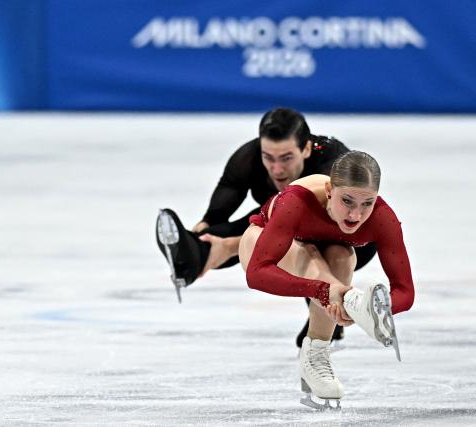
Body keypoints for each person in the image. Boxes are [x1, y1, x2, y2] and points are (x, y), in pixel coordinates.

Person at [156, 108, 378, 345]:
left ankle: (328, 319)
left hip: (349, 238)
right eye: (269, 158)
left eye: (286, 158)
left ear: (306, 149)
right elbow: (219, 210)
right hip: (285, 221)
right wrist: (199, 237)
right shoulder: (249, 157)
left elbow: (313, 233)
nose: (277, 169)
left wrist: (230, 246)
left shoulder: (332, 165)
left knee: (309, 247)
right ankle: (191, 258)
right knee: (221, 235)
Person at [237, 150, 415, 409]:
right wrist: (322, 290)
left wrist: (379, 310)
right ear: (330, 189)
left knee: (343, 257)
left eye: (367, 203)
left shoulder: (382, 217)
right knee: (309, 255)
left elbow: (405, 292)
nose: (356, 214)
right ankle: (351, 301)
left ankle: (317, 352)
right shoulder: (297, 201)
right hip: (260, 244)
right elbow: (257, 273)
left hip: (327, 257)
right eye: (348, 200)